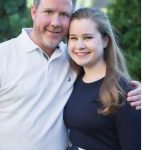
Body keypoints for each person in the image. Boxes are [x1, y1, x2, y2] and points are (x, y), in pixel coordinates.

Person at [0, 0, 141, 149]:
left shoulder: (72, 58)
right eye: (49, 12)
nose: (55, 22)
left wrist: (135, 91)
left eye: (64, 14)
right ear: (33, 12)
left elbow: (106, 82)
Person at [63, 8, 141, 150]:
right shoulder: (72, 80)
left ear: (105, 40)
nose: (80, 46)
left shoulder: (122, 90)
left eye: (88, 37)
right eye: (73, 38)